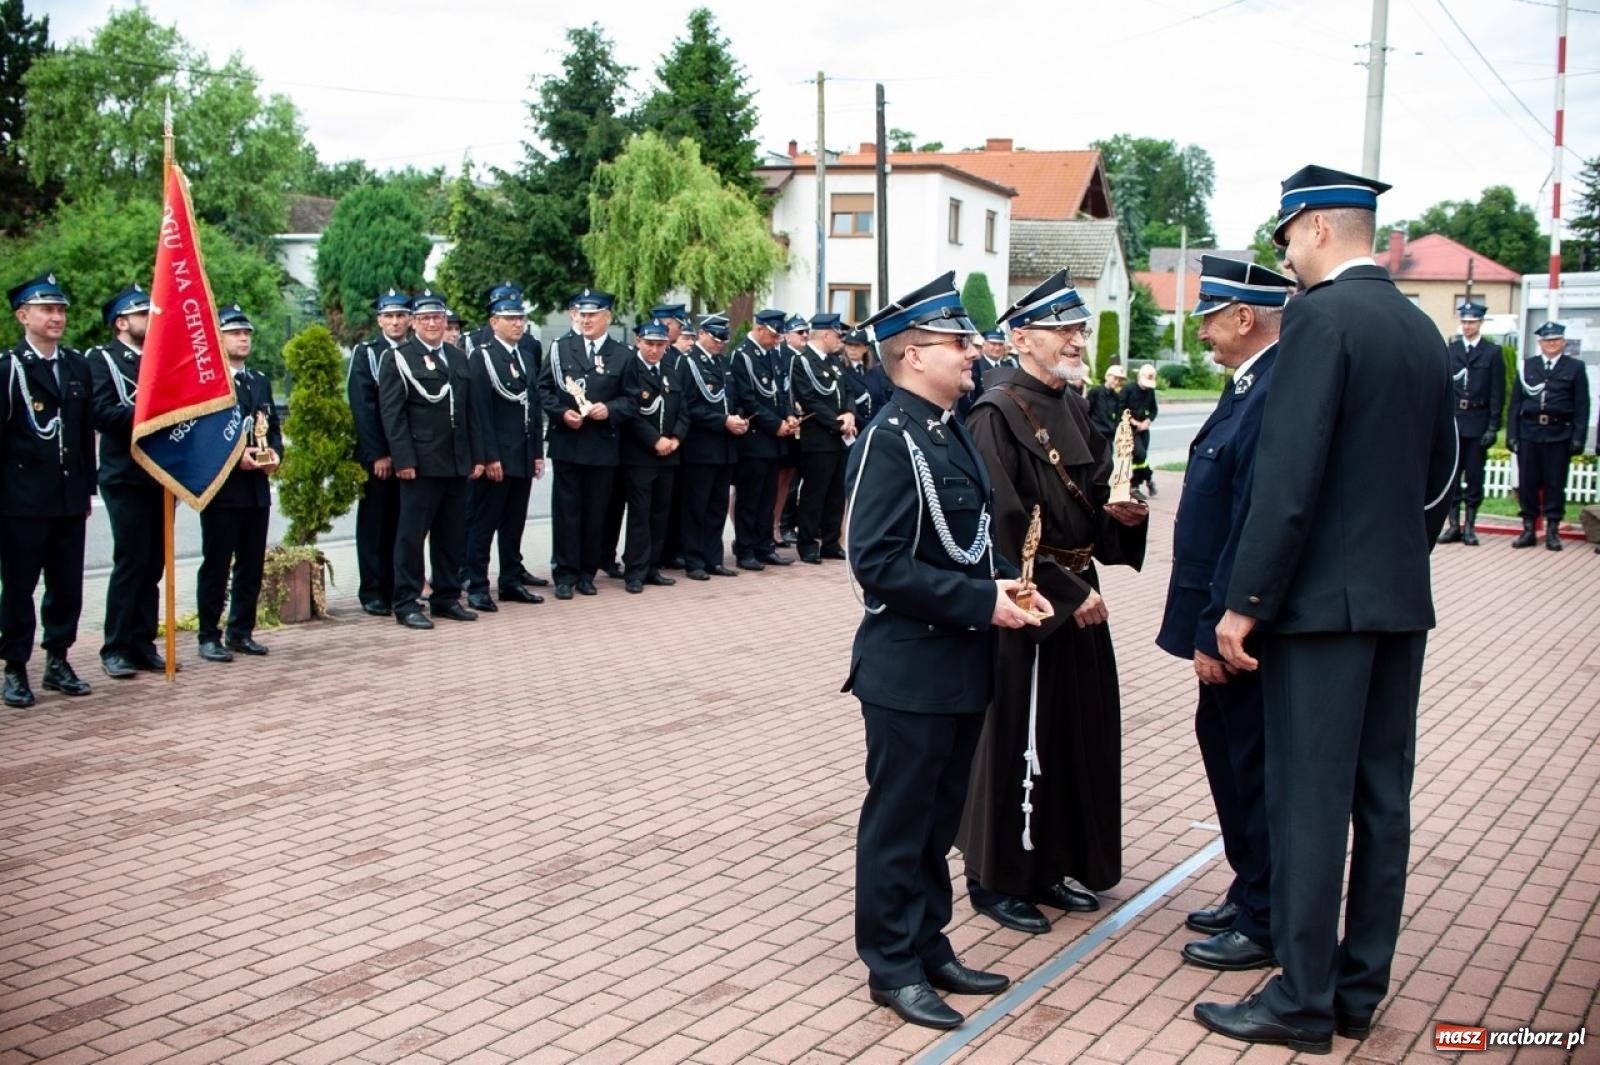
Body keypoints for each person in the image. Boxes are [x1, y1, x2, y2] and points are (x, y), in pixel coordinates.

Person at [1203, 164, 1457, 1053]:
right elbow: (1439, 476)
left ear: (1311, 228)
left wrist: (1246, 602)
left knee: (1310, 801)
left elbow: (1288, 480)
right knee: (1382, 800)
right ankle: (1357, 989)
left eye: (1288, 237)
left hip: (1317, 611)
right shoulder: (1420, 327)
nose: (1289, 255)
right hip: (1397, 602)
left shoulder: (1318, 318)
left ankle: (1303, 998)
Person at [846, 271, 1048, 1030]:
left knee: (937, 820)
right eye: (957, 342)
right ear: (911, 355)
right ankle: (892, 965)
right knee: (899, 822)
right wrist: (980, 601)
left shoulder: (946, 426)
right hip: (909, 668)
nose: (973, 352)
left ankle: (929, 943)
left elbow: (961, 543)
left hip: (960, 662)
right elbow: (879, 561)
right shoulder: (889, 440)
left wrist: (1005, 587)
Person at [956, 269, 1148, 936]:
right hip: (1030, 601)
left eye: (1077, 328)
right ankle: (996, 874)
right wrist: (1068, 594)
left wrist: (1122, 516)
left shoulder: (1071, 401)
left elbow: (1091, 492)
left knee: (1071, 734)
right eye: (1060, 329)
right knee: (1013, 737)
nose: (1074, 339)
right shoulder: (996, 411)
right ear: (1021, 338)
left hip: (1077, 591)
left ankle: (1052, 860)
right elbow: (999, 522)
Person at [1155, 256, 1295, 974]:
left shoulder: (1273, 392)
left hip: (1236, 629)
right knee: (1229, 755)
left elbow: (1247, 522)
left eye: (1211, 315)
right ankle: (1251, 889)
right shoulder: (1249, 386)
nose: (1203, 331)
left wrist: (1217, 623)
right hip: (1219, 619)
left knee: (1251, 764)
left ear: (1245, 318)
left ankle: (1266, 916)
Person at [1, 273, 96, 707]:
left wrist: (86, 490)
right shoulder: (9, 368)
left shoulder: (76, 366)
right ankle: (15, 667)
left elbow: (82, 434)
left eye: (60, 310)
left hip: (67, 497)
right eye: (47, 309)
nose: (56, 317)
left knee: (67, 586)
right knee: (20, 588)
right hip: (21, 500)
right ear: (23, 316)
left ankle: (58, 659)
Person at [378, 289, 481, 628]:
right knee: (411, 535)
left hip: (455, 460)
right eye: (425, 318)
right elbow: (392, 414)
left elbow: (470, 412)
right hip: (420, 462)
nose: (434, 323)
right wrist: (403, 459)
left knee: (451, 535)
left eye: (438, 317)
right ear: (413, 322)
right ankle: (406, 601)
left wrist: (477, 456)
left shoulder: (457, 357)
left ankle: (446, 597)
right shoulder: (399, 358)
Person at [88, 283, 171, 678]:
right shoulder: (102, 359)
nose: (150, 320)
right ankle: (116, 646)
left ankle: (143, 642)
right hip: (125, 475)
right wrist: (150, 413)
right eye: (142, 314)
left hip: (161, 474)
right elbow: (102, 413)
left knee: (154, 563)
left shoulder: (160, 358)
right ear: (121, 322)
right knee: (132, 560)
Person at [196, 305, 281, 662]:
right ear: (218, 337)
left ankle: (241, 631)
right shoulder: (208, 382)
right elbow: (201, 437)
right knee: (216, 564)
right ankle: (207, 635)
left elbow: (270, 426)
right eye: (234, 333)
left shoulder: (257, 380)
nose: (243, 338)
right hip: (222, 488)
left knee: (251, 563)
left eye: (246, 333)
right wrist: (236, 460)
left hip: (255, 489)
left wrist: (275, 454)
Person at [537, 289, 633, 598]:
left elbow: (631, 400)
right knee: (567, 511)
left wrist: (611, 410)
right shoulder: (560, 349)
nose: (587, 319)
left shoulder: (623, 354)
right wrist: (561, 412)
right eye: (583, 314)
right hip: (569, 442)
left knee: (596, 513)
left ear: (608, 317)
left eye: (593, 314)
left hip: (603, 445)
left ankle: (586, 573)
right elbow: (543, 389)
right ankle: (564, 574)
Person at [462, 286, 546, 611]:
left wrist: (537, 451)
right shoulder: (481, 356)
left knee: (514, 524)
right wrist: (489, 456)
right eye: (510, 319)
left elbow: (533, 408)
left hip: (522, 454)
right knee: (484, 525)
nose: (518, 324)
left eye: (521, 319)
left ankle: (510, 581)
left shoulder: (525, 356)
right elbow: (479, 412)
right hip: (497, 456)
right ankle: (478, 586)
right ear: (494, 321)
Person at [348, 289, 412, 615]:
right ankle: (373, 590)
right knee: (375, 525)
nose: (395, 321)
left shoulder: (417, 352)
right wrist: (378, 454)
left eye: (401, 315)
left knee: (404, 526)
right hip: (382, 458)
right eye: (389, 316)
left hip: (412, 458)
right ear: (379, 320)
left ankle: (398, 588)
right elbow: (364, 407)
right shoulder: (368, 353)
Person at [618, 321, 689, 592]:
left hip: (668, 455)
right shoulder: (630, 370)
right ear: (639, 342)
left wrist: (675, 439)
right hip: (640, 456)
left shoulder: (671, 371)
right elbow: (630, 413)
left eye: (660, 345)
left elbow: (684, 411)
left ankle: (652, 567)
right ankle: (634, 571)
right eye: (649, 344)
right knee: (640, 515)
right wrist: (654, 440)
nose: (654, 350)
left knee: (661, 514)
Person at [1508, 321, 1589, 551]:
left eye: (1555, 340)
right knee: (1528, 483)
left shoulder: (1574, 367)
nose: (1551, 344)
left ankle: (1553, 530)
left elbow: (1582, 405)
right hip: (1530, 432)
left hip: (1559, 433)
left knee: (1555, 483)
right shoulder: (1528, 367)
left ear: (1563, 342)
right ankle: (1528, 529)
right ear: (1539, 343)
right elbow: (1516, 404)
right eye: (1546, 340)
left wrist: (1578, 437)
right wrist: (1512, 434)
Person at [677, 313, 745, 580]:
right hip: (701, 446)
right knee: (696, 506)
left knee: (717, 505)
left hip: (726, 446)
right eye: (715, 338)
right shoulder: (689, 364)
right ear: (701, 334)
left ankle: (713, 558)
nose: (719, 343)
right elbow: (688, 408)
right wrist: (723, 420)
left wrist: (738, 417)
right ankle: (693, 560)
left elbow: (732, 397)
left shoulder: (722, 363)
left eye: (723, 339)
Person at [728, 308, 797, 570]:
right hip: (756, 437)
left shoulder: (771, 355)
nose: (777, 340)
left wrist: (789, 416)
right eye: (774, 335)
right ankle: (745, 549)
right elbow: (746, 398)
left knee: (767, 498)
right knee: (750, 498)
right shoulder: (743, 356)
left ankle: (764, 545)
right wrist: (775, 423)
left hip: (775, 438)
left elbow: (781, 391)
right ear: (759, 329)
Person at [1437, 300, 1505, 546]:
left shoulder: (1492, 352)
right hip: (1455, 420)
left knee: (1475, 477)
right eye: (1464, 322)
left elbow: (1497, 392)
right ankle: (1453, 524)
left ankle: (1470, 526)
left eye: (1472, 322)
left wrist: (1493, 426)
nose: (1467, 326)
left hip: (1478, 420)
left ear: (1480, 323)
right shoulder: (1451, 349)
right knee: (1453, 476)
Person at [791, 313, 854, 564]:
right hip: (819, 438)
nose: (841, 340)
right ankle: (807, 544)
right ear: (826, 334)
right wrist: (838, 422)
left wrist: (849, 413)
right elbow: (809, 399)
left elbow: (847, 391)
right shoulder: (803, 362)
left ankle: (831, 542)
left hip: (840, 437)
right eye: (838, 335)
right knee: (814, 494)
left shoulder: (835, 361)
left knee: (836, 493)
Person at [1121, 363, 1159, 498]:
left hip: (1144, 428)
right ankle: (1147, 479)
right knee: (1140, 454)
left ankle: (1136, 485)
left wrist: (1148, 421)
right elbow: (1121, 408)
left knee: (1140, 458)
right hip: (1130, 428)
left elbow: (1154, 410)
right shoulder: (1128, 389)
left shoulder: (1150, 391)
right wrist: (1134, 422)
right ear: (1139, 377)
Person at [1085, 363, 1126, 439]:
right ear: (1107, 377)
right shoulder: (1095, 392)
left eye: (1120, 380)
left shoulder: (1116, 396)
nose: (1117, 382)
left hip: (1109, 435)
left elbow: (1117, 415)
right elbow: (1086, 412)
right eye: (1115, 378)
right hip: (1095, 434)